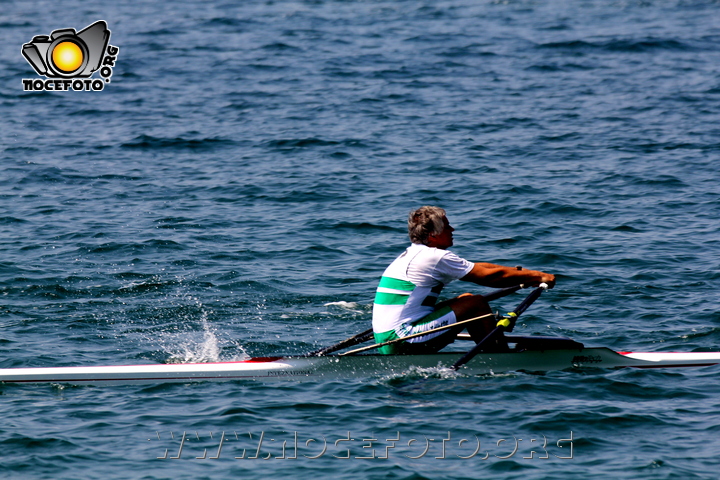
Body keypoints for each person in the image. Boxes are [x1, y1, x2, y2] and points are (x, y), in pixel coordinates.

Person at [372, 206, 556, 354]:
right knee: (476, 304)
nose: (452, 229)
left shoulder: (414, 254)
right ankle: (499, 356)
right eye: (447, 226)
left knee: (466, 299)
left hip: (388, 340)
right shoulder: (434, 257)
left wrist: (523, 272)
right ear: (433, 234)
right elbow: (489, 277)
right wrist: (538, 276)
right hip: (402, 340)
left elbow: (478, 268)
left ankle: (491, 348)